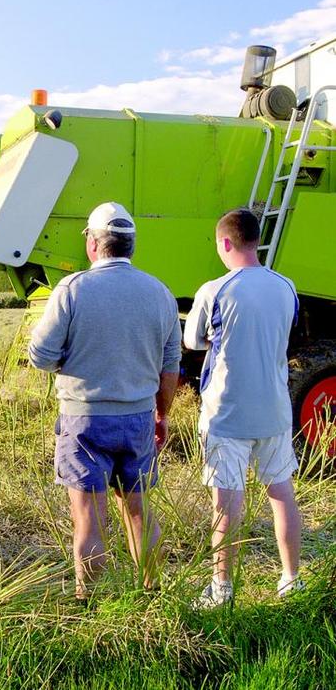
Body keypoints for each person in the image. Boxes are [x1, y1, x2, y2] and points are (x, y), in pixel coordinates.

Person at [29, 202, 181, 598]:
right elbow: (170, 368)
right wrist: (161, 415)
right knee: (140, 515)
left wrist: (72, 359)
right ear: (130, 245)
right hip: (138, 418)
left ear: (94, 245)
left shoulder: (73, 289)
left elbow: (40, 355)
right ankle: (152, 594)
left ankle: (89, 605)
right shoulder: (160, 293)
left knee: (89, 522)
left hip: (84, 421)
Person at [184, 208, 302, 607]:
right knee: (282, 494)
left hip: (226, 413)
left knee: (227, 502)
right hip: (275, 410)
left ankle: (222, 589)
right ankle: (290, 579)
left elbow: (194, 342)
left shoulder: (214, 290)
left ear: (226, 242)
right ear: (256, 241)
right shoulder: (286, 286)